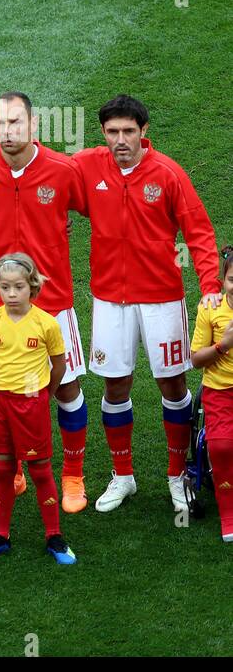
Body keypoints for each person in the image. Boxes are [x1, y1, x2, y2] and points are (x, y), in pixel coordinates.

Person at [73, 95, 221, 514]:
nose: (120, 140)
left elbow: (199, 233)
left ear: (143, 132)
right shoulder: (86, 164)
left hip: (161, 299)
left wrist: (210, 286)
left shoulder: (168, 174)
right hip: (109, 300)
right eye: (113, 132)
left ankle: (179, 477)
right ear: (103, 133)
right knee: (114, 384)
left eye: (128, 132)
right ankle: (123, 477)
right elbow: (39, 165)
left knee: (172, 384)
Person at [0, 91, 90, 511]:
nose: (7, 131)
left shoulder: (63, 171)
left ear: (34, 126)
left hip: (53, 305)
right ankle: (12, 475)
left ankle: (73, 477)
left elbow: (99, 210)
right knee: (6, 394)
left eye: (15, 123)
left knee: (66, 388)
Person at [0, 254, 77, 564]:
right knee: (3, 467)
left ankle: (54, 537)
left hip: (32, 403)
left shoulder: (46, 323)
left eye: (18, 287)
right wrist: (4, 384)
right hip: (0, 401)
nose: (11, 294)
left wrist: (45, 394)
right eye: (5, 288)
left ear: (32, 287)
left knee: (40, 469)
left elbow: (59, 366)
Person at [189, 245, 233, 542]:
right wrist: (224, 344)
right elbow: (195, 360)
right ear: (223, 281)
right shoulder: (210, 308)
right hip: (220, 391)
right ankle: (228, 517)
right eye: (232, 279)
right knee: (220, 449)